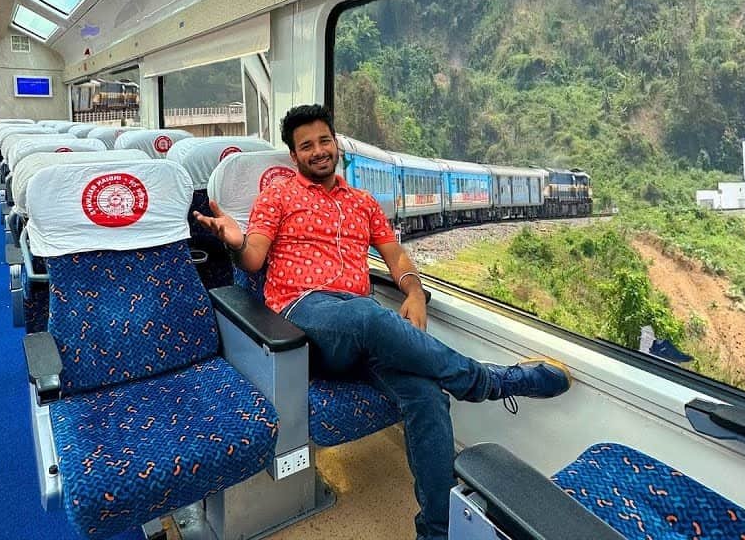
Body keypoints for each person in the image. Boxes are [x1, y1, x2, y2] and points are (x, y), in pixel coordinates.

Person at [194, 104, 572, 540]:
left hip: (362, 334)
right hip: (306, 320)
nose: (318, 151)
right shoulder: (277, 197)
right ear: (293, 157)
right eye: (306, 146)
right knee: (367, 313)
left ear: (334, 144)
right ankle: (488, 382)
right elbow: (255, 254)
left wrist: (413, 292)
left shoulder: (363, 203)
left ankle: (436, 531)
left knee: (428, 396)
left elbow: (396, 257)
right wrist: (233, 241)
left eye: (323, 141)